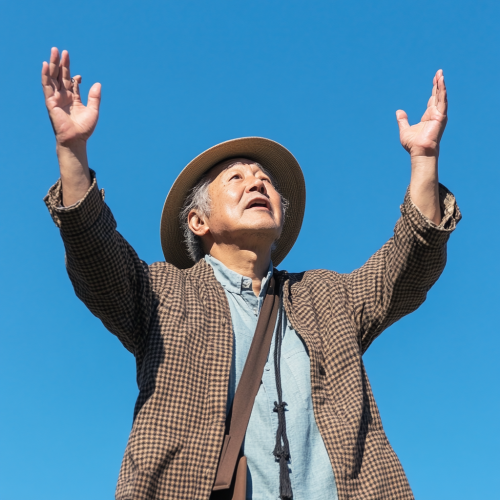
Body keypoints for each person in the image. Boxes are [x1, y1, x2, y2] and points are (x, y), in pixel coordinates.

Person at [42, 46, 461, 500]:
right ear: (197, 223)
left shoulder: (327, 297)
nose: (257, 182)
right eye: (236, 179)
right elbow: (97, 257)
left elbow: (408, 265)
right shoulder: (164, 294)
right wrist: (72, 151)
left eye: (264, 178)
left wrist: (424, 160)